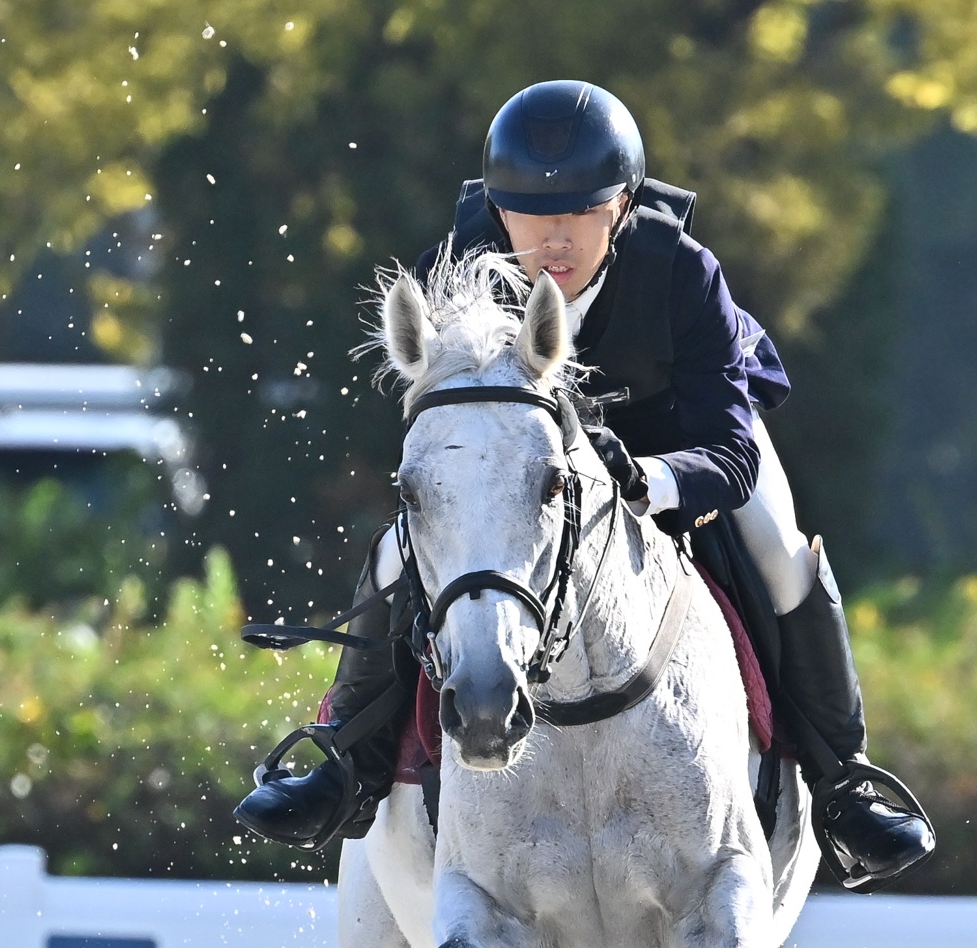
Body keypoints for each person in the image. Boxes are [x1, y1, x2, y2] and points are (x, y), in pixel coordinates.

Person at [234, 79, 933, 890]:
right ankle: (345, 766)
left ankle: (844, 783)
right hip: (523, 464)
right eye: (531, 214)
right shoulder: (454, 275)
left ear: (622, 205)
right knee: (400, 551)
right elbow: (444, 438)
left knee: (780, 552)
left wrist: (650, 482)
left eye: (582, 212)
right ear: (497, 210)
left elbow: (732, 452)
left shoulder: (683, 273)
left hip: (680, 449)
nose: (555, 238)